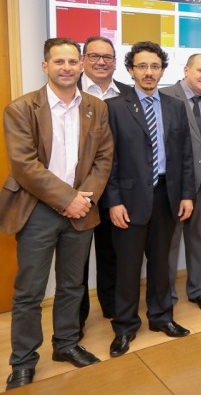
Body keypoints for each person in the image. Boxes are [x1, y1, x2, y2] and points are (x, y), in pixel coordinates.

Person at [0, 38, 113, 390]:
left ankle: (65, 344)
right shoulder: (21, 108)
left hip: (82, 208)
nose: (67, 67)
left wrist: (83, 199)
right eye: (59, 61)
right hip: (37, 210)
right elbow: (24, 165)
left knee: (72, 285)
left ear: (81, 65)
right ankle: (23, 360)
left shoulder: (96, 107)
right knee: (29, 291)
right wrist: (67, 199)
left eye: (72, 61)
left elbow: (104, 157)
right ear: (45, 66)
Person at [104, 41, 195, 358]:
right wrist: (114, 201)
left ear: (162, 70)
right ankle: (125, 326)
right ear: (130, 70)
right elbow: (108, 160)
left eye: (155, 66)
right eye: (142, 66)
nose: (148, 72)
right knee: (128, 267)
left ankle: (161, 317)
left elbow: (185, 155)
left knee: (161, 263)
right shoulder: (115, 107)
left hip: (166, 195)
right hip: (128, 200)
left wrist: (186, 195)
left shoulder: (174, 106)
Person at [162, 54, 201, 312]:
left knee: (200, 241)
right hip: (173, 188)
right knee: (168, 245)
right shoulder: (164, 97)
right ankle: (165, 297)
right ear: (186, 69)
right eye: (200, 70)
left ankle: (198, 290)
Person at [78, 36, 131, 328]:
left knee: (112, 252)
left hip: (114, 189)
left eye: (107, 57)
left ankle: (111, 306)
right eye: (94, 56)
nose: (101, 62)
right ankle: (76, 319)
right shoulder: (69, 90)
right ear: (83, 60)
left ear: (115, 62)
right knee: (76, 259)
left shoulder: (128, 93)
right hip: (77, 190)